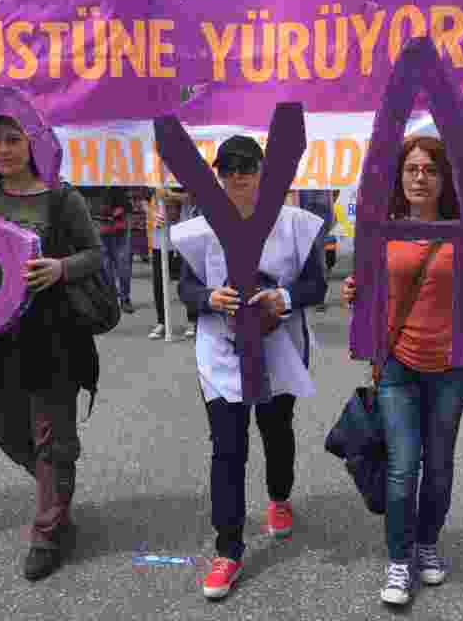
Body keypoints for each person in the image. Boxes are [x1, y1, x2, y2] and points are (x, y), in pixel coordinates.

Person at [0, 106, 104, 582]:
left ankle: (48, 530)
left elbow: (95, 255)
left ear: (32, 143)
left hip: (56, 332)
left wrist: (60, 268)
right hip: (4, 337)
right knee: (3, 428)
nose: (4, 149)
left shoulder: (63, 199)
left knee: (50, 435)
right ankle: (56, 487)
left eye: (13, 139)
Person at [172, 135, 327, 601]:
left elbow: (316, 285)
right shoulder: (198, 229)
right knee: (227, 447)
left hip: (278, 347)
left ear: (264, 172)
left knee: (276, 430)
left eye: (247, 167)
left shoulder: (297, 225)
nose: (237, 176)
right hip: (220, 353)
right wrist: (208, 298)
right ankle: (229, 548)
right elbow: (186, 289)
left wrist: (286, 296)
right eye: (228, 168)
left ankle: (279, 496)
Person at [341, 135, 463, 607]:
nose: (421, 177)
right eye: (412, 169)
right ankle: (399, 559)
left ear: (445, 179)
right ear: (400, 178)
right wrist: (355, 295)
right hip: (398, 364)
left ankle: (427, 543)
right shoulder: (382, 229)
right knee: (403, 469)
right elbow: (369, 289)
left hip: (451, 367)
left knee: (439, 467)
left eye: (430, 170)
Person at [149, 186, 197, 339]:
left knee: (188, 279)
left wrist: (170, 195)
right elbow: (145, 199)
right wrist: (152, 213)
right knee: (159, 281)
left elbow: (194, 197)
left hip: (185, 232)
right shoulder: (152, 170)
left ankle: (192, 320)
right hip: (161, 235)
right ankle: (162, 321)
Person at [91, 186, 135, 314]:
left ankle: (121, 297)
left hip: (112, 216)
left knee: (119, 262)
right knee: (109, 262)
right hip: (100, 217)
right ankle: (116, 297)